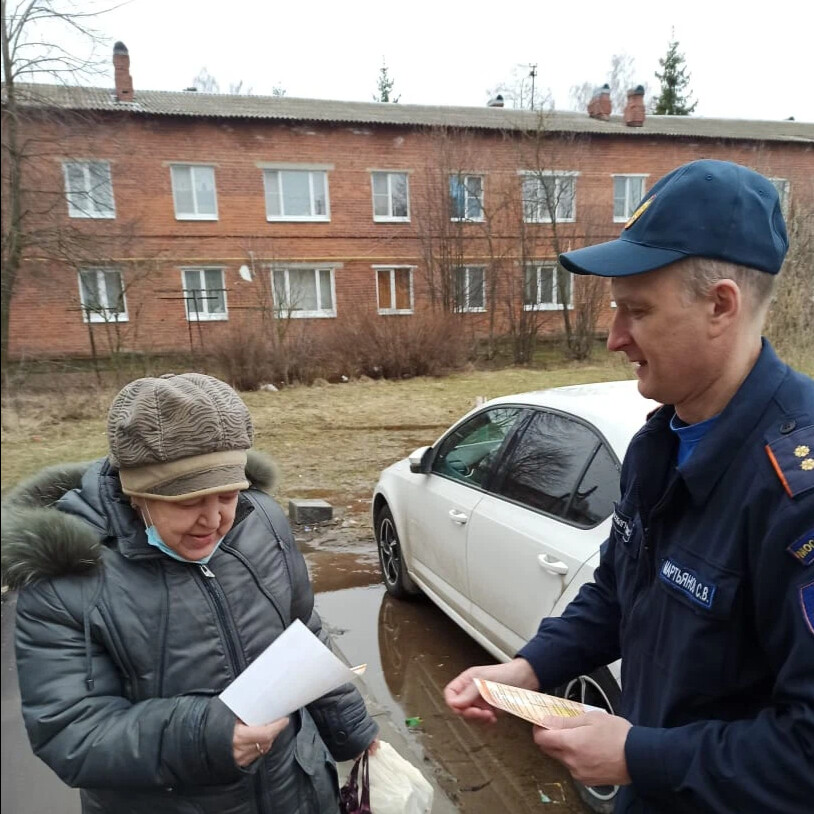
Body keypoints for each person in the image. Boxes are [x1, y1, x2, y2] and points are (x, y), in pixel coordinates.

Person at [444, 159, 814, 812]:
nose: (614, 338)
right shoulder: (659, 443)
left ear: (720, 306)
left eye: (636, 311)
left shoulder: (796, 495)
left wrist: (636, 753)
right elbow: (618, 592)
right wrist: (528, 670)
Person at [2, 372, 379, 813]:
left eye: (227, 494)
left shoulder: (261, 521)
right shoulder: (66, 576)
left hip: (295, 792)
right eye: (187, 501)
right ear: (135, 492)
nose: (214, 520)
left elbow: (304, 635)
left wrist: (353, 730)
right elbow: (70, 732)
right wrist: (205, 738)